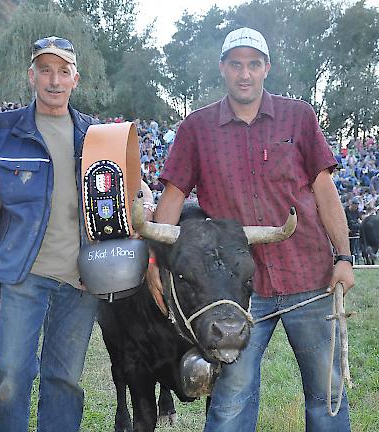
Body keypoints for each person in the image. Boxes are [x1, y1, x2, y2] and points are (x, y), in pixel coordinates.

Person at [151, 27, 354, 431]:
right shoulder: (197, 127)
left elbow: (324, 190)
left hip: (307, 274)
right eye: (236, 64)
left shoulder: (299, 116)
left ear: (267, 69)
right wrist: (154, 258)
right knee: (231, 398)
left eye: (254, 65)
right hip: (235, 290)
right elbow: (173, 195)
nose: (245, 74)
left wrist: (345, 257)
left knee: (326, 392)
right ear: (223, 69)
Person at [0, 36, 153, 432]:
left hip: (80, 281)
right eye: (45, 70)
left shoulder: (98, 138)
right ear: (32, 76)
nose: (54, 80)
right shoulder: (6, 134)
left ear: (76, 79)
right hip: (23, 277)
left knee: (64, 382)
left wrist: (144, 203)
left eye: (63, 71)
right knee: (11, 375)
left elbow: (132, 192)